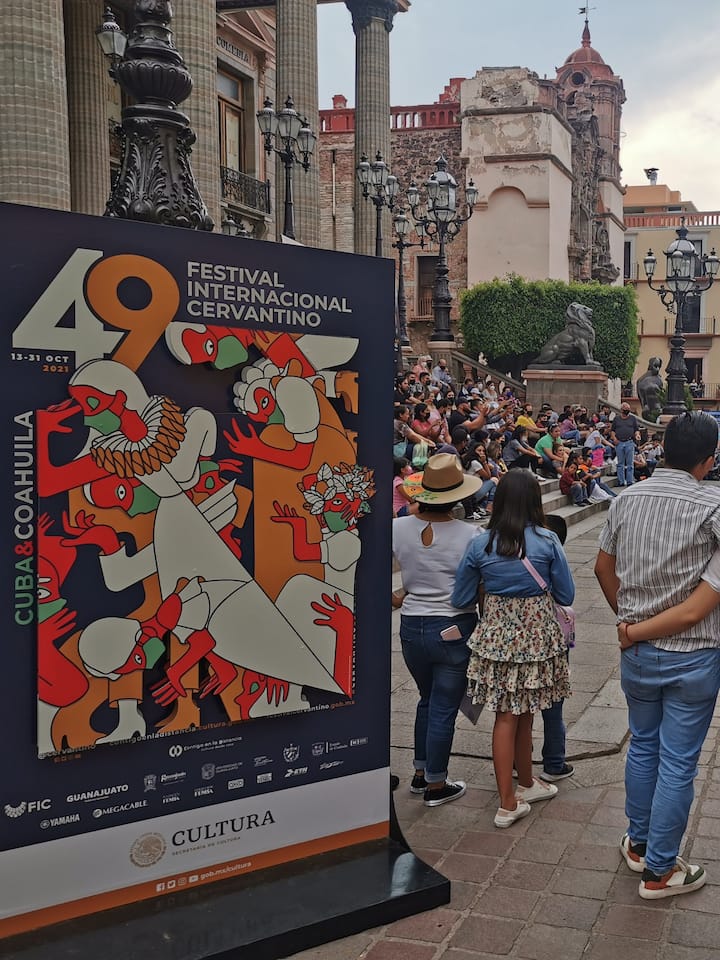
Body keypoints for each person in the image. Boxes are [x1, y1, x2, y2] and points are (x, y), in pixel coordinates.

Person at [594, 411, 720, 900]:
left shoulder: (627, 498)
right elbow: (695, 610)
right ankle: (660, 870)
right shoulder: (712, 504)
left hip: (639, 654)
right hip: (694, 655)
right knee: (678, 762)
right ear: (708, 460)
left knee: (644, 746)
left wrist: (627, 623)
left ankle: (640, 842)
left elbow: (603, 567)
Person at [452, 470, 574, 827]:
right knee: (520, 712)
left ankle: (525, 784)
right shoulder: (548, 541)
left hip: (497, 640)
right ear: (535, 500)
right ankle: (507, 803)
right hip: (537, 639)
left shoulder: (480, 544)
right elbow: (566, 594)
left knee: (513, 713)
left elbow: (460, 597)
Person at [392, 454, 483, 806]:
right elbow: (479, 585)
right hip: (454, 624)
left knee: (427, 698)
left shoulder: (398, 528)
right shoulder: (471, 534)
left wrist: (397, 596)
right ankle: (436, 783)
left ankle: (420, 772)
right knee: (444, 705)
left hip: (412, 625)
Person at [611, 402, 639, 487]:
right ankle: (621, 481)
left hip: (629, 442)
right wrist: (614, 439)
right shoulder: (616, 419)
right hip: (619, 442)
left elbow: (636, 429)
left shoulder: (632, 418)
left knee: (630, 463)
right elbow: (613, 430)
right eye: (625, 409)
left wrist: (637, 435)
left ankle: (630, 480)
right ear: (621, 410)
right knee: (620, 463)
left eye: (628, 409)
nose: (627, 411)